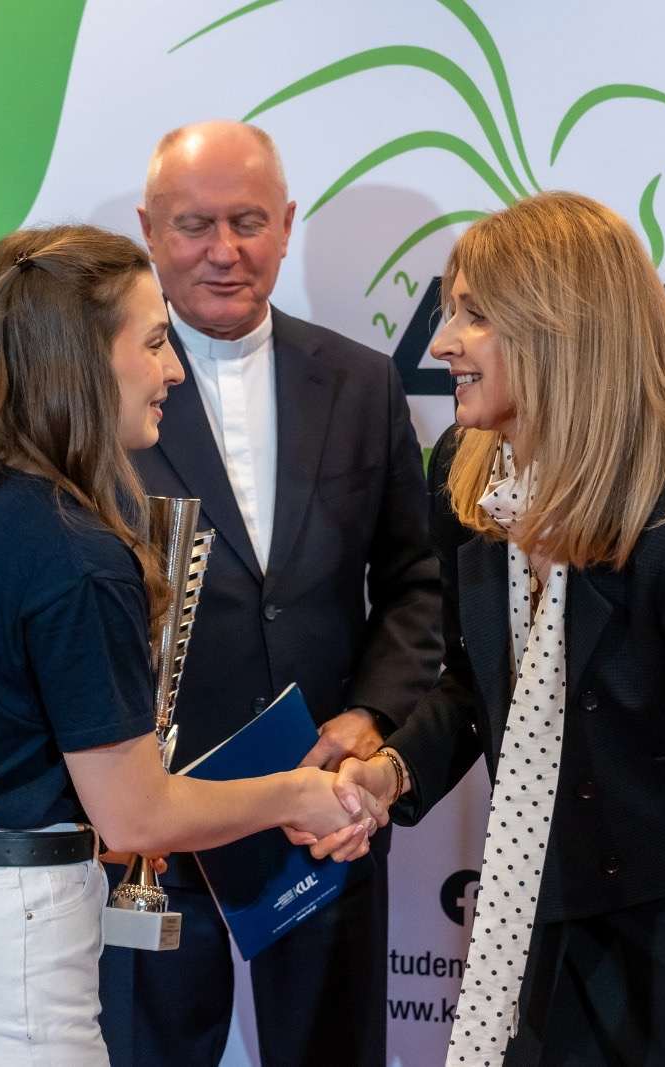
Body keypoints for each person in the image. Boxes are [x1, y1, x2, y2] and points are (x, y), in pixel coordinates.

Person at [0, 224, 384, 1066]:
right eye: (154, 342)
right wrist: (295, 794)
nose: (173, 370)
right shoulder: (76, 553)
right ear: (83, 360)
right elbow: (136, 815)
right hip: (1, 970)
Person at [331, 191, 665, 1066]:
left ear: (561, 332)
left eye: (473, 315)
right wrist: (391, 772)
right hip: (530, 946)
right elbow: (476, 684)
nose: (441, 343)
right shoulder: (470, 488)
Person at [100, 120, 442, 1066]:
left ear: (287, 224)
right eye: (194, 225)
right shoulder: (98, 398)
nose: (225, 251)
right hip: (155, 826)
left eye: (248, 222)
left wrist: (372, 714)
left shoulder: (364, 382)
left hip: (322, 813)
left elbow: (417, 581)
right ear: (150, 231)